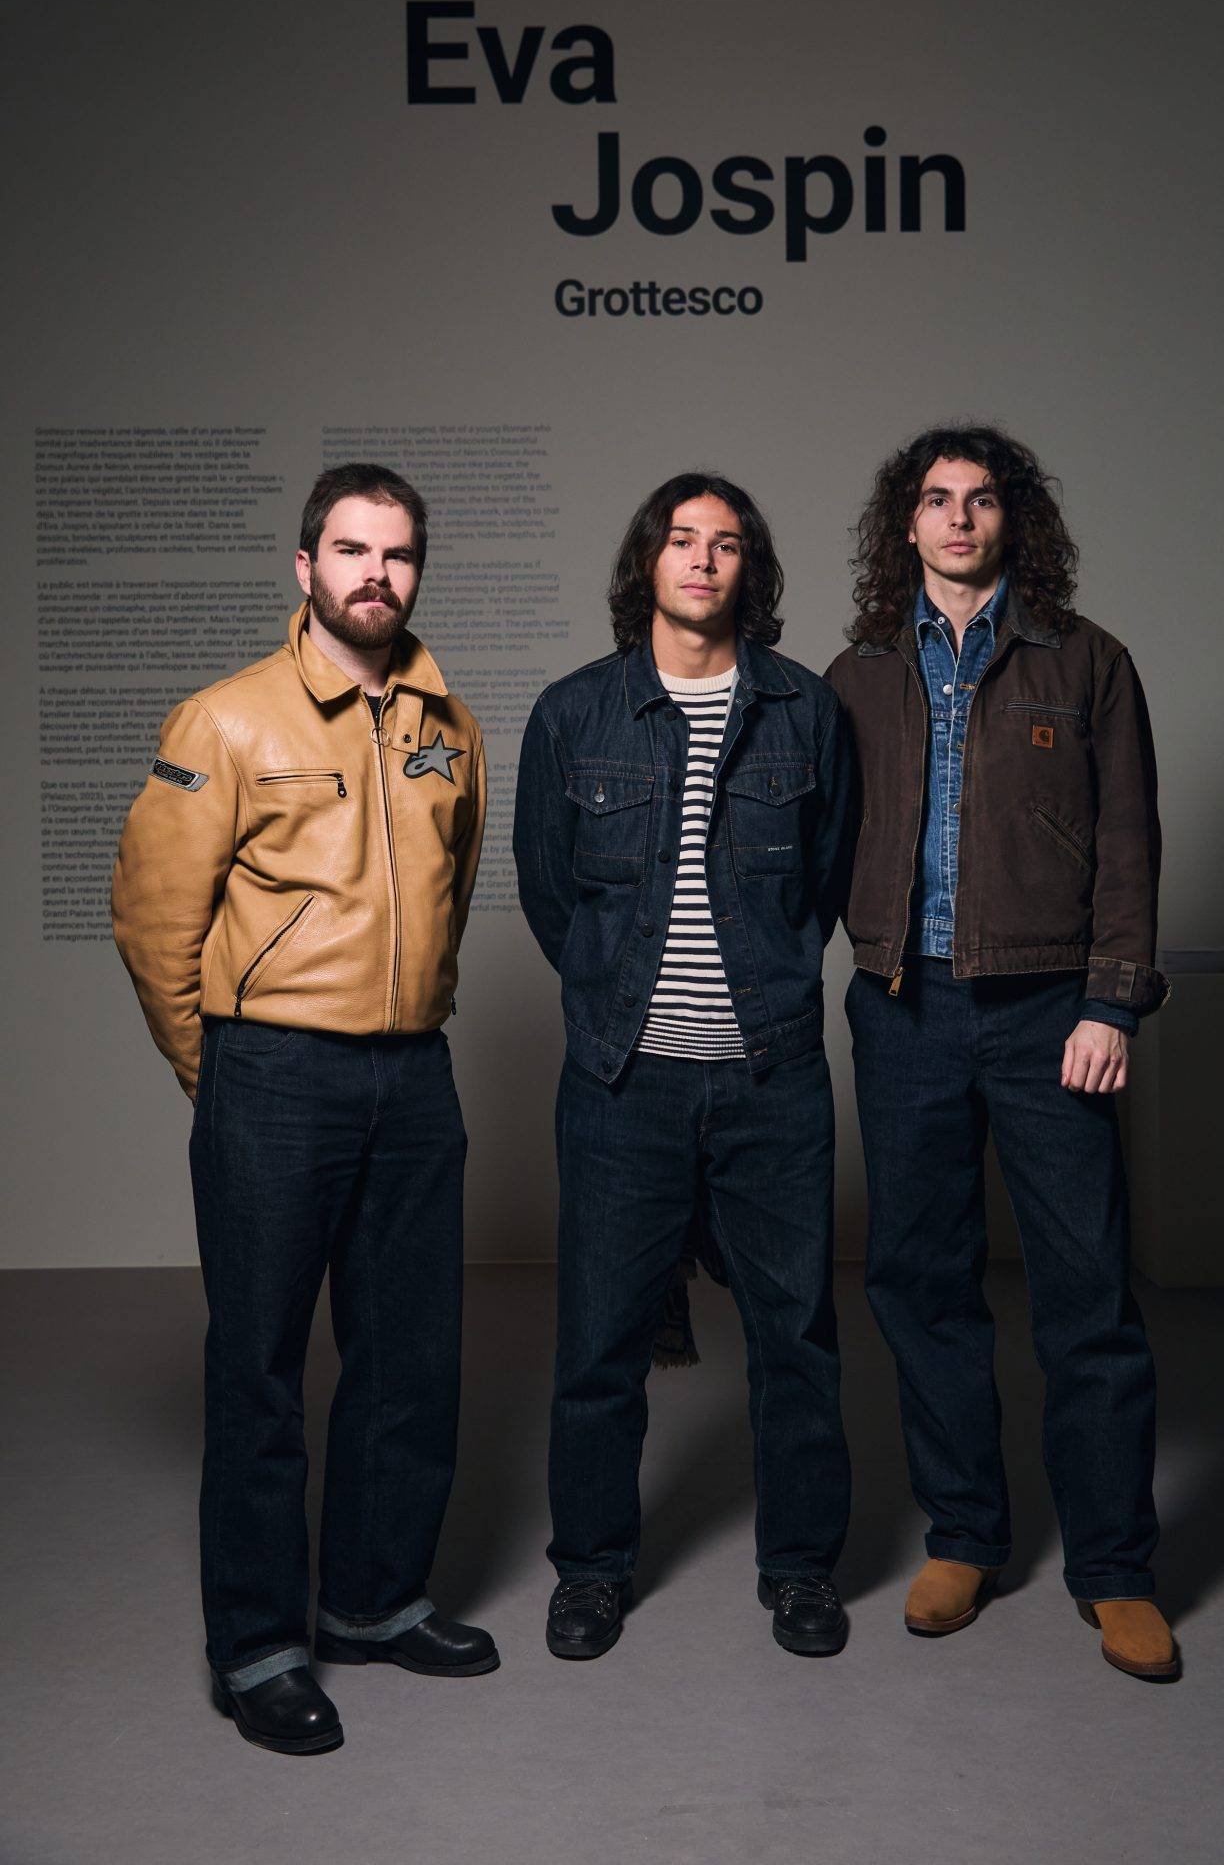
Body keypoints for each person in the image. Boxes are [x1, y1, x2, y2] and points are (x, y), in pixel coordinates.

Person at [112, 463, 498, 1755]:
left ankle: (378, 1603)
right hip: (273, 1074)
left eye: (395, 554)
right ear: (305, 568)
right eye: (349, 550)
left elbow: (455, 879)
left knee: (408, 1359)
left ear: (415, 572)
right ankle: (261, 1645)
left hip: (415, 1074)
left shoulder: (449, 717)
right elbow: (153, 917)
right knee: (261, 1370)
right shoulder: (226, 719)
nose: (373, 574)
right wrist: (218, 1070)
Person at [826, 424, 1179, 1681]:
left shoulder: (1089, 663)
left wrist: (1111, 1003)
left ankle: (1116, 1567)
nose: (959, 518)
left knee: (1086, 1298)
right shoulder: (858, 670)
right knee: (921, 1289)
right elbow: (819, 844)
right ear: (906, 524)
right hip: (904, 1009)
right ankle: (966, 1533)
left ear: (1011, 520)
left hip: (1049, 1019)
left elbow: (1130, 848)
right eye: (936, 499)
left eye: (980, 500)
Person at [514, 472, 855, 1660]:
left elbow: (824, 883)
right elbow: (552, 898)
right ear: (645, 563)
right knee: (600, 1344)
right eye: (681, 539)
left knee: (796, 1335)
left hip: (773, 1080)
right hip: (623, 1085)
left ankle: (803, 1567)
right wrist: (629, 1010)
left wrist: (753, 998)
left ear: (749, 570)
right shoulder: (573, 714)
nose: (702, 559)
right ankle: (592, 1570)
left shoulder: (806, 712)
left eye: (725, 544)